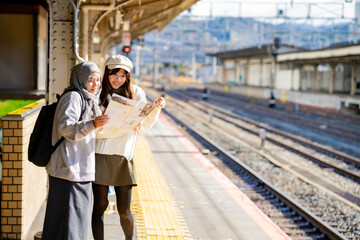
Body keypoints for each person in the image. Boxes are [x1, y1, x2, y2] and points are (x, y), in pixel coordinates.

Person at [92, 55, 165, 240]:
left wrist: (156, 108)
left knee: (124, 210)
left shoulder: (137, 93)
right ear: (107, 72)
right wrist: (117, 128)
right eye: (114, 74)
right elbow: (94, 131)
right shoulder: (97, 93)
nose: (118, 79)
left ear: (128, 77)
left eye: (123, 75)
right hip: (100, 155)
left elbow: (146, 124)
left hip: (124, 157)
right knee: (99, 207)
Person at [41, 61, 110, 240]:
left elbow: (92, 132)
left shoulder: (91, 100)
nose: (95, 84)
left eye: (98, 80)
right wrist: (93, 124)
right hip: (68, 169)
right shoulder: (73, 97)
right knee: (67, 225)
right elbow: (66, 128)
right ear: (80, 79)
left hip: (80, 169)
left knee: (76, 223)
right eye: (90, 80)